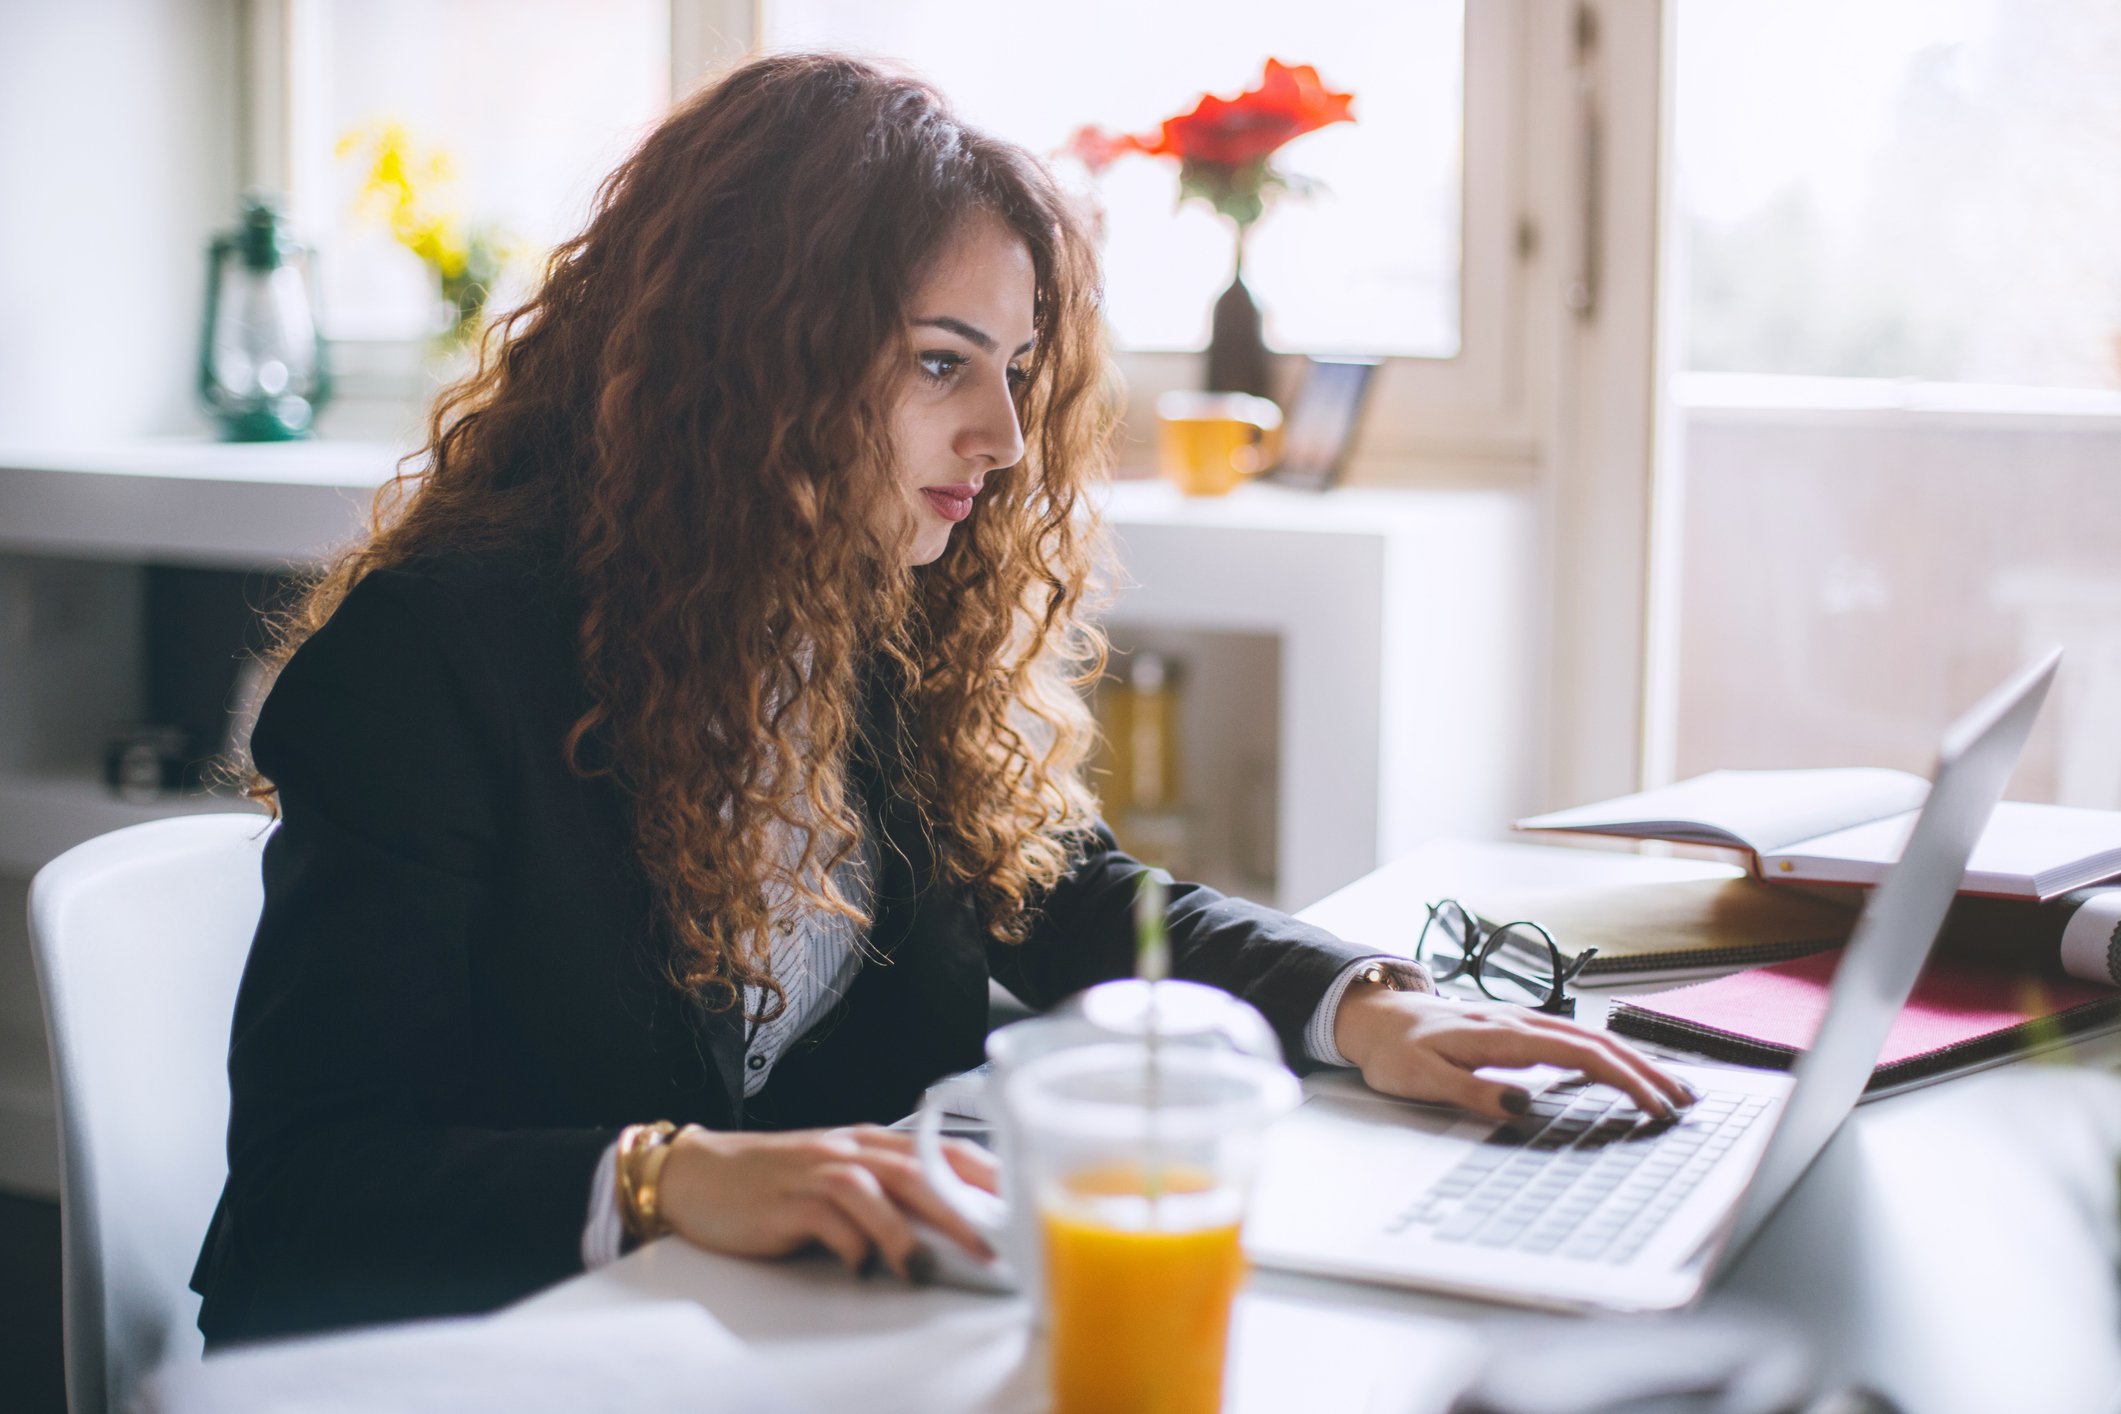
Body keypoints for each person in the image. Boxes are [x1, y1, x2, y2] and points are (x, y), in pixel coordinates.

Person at [190, 51, 1692, 1345]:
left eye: (1017, 371)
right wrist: (668, 1174)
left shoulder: (865, 618)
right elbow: (309, 1203)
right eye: (936, 363)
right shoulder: (432, 658)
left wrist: (1361, 1004)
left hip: (797, 1347)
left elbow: (1068, 892)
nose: (1004, 439)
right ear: (743, 356)